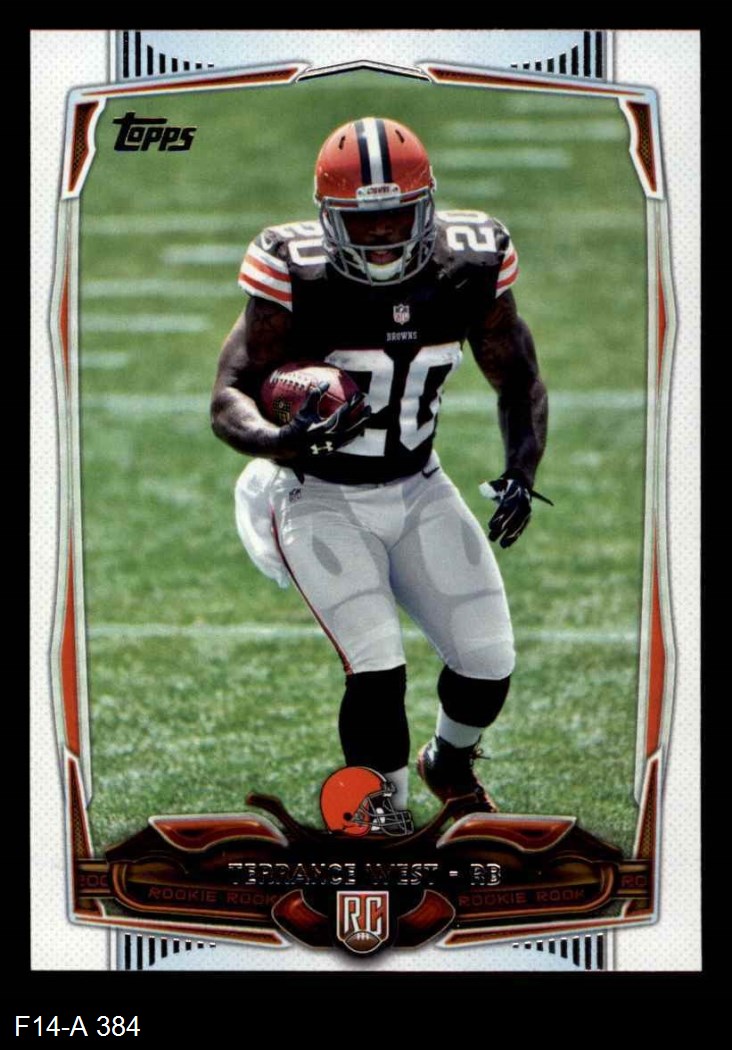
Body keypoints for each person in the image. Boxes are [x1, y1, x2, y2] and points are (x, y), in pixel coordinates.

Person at [211, 117, 548, 816]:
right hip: (317, 494)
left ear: (427, 207)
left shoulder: (470, 265)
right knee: (376, 668)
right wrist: (281, 440)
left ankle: (447, 762)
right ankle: (381, 816)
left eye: (397, 215)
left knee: (488, 663)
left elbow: (519, 379)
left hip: (420, 485)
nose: (382, 233)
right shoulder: (294, 270)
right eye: (361, 221)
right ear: (327, 218)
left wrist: (521, 470)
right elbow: (229, 395)